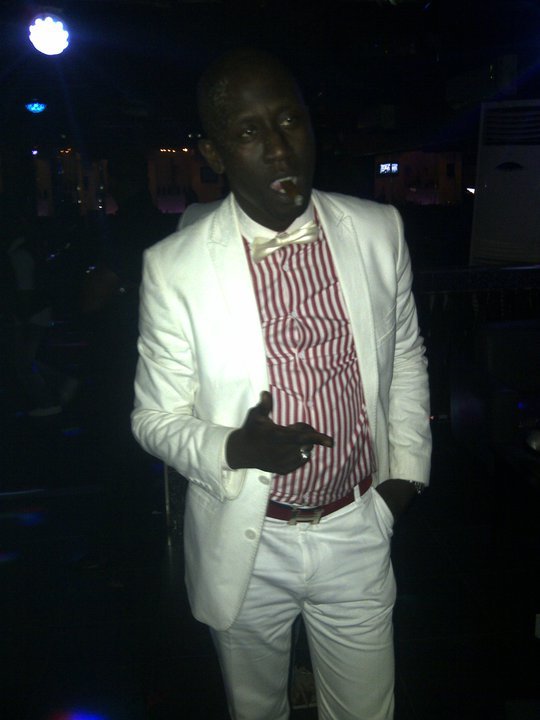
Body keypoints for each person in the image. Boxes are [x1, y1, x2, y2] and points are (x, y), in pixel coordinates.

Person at [131, 47, 432, 720]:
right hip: (247, 537)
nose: (278, 147)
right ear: (214, 153)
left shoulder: (378, 230)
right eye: (248, 131)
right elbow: (152, 419)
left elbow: (406, 356)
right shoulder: (175, 268)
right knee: (257, 709)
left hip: (357, 524)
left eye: (290, 120)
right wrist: (234, 447)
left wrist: (403, 481)